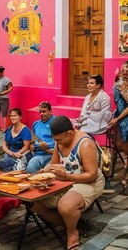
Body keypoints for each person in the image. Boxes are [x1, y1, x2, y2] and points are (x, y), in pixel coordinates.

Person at [32, 116, 104, 250]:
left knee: (65, 205)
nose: (56, 142)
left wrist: (66, 176)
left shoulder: (85, 143)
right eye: (55, 140)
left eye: (59, 139)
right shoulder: (60, 141)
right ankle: (70, 225)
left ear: (69, 133)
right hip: (66, 179)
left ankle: (72, 232)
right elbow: (54, 163)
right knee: (34, 202)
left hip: (88, 182)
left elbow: (91, 176)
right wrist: (47, 169)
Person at [109, 61, 128, 192]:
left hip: (124, 119)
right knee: (114, 148)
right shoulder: (120, 83)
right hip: (119, 116)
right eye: (124, 68)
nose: (125, 71)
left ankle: (125, 180)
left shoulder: (122, 85)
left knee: (126, 153)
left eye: (127, 69)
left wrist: (117, 118)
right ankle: (112, 173)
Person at [27, 102, 56, 173]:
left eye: (44, 111)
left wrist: (47, 149)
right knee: (30, 169)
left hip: (52, 155)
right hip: (38, 155)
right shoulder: (36, 124)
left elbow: (61, 144)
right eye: (40, 112)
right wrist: (32, 145)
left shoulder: (56, 123)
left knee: (48, 172)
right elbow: (32, 138)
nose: (41, 114)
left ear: (50, 111)